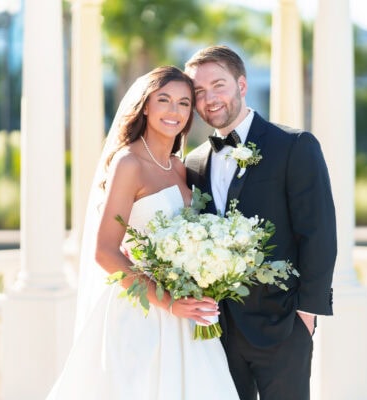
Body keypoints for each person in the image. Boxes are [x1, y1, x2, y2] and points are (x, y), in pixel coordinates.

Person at [46, 66, 239, 400]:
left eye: (183, 103)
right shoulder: (129, 163)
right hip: (143, 313)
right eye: (163, 100)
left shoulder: (179, 167)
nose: (173, 111)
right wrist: (167, 301)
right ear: (145, 106)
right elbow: (104, 251)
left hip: (188, 314)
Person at [184, 45, 337, 400]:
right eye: (199, 93)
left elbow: (318, 232)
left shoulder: (294, 145)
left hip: (282, 324)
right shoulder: (192, 163)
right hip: (216, 329)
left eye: (218, 85)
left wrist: (306, 314)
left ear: (241, 85)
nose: (209, 99)